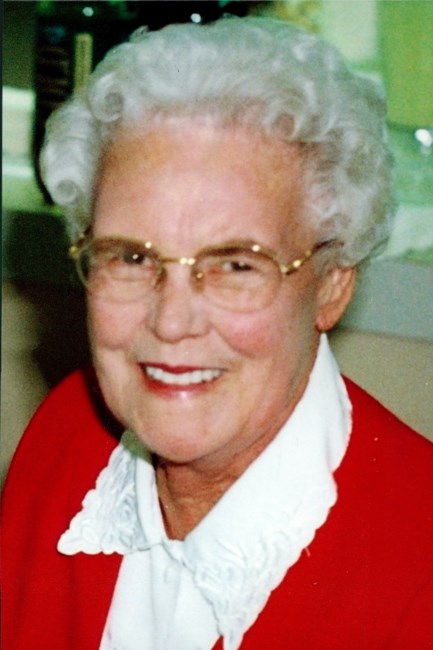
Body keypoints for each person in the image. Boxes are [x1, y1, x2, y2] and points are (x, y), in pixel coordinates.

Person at [2, 16, 432, 650]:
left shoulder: (420, 564)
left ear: (332, 284)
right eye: (132, 257)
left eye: (235, 265)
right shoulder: (64, 434)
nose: (171, 322)